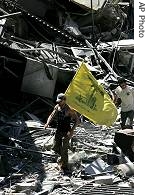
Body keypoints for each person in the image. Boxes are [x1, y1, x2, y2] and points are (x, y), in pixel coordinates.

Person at [44, 93, 80, 173]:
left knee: (64, 150)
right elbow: (52, 115)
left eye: (60, 101)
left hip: (66, 132)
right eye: (58, 101)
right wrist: (47, 123)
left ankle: (65, 167)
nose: (59, 103)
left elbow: (77, 121)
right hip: (59, 130)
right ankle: (63, 157)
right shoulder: (57, 107)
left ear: (64, 100)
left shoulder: (70, 109)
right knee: (55, 147)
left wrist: (71, 131)